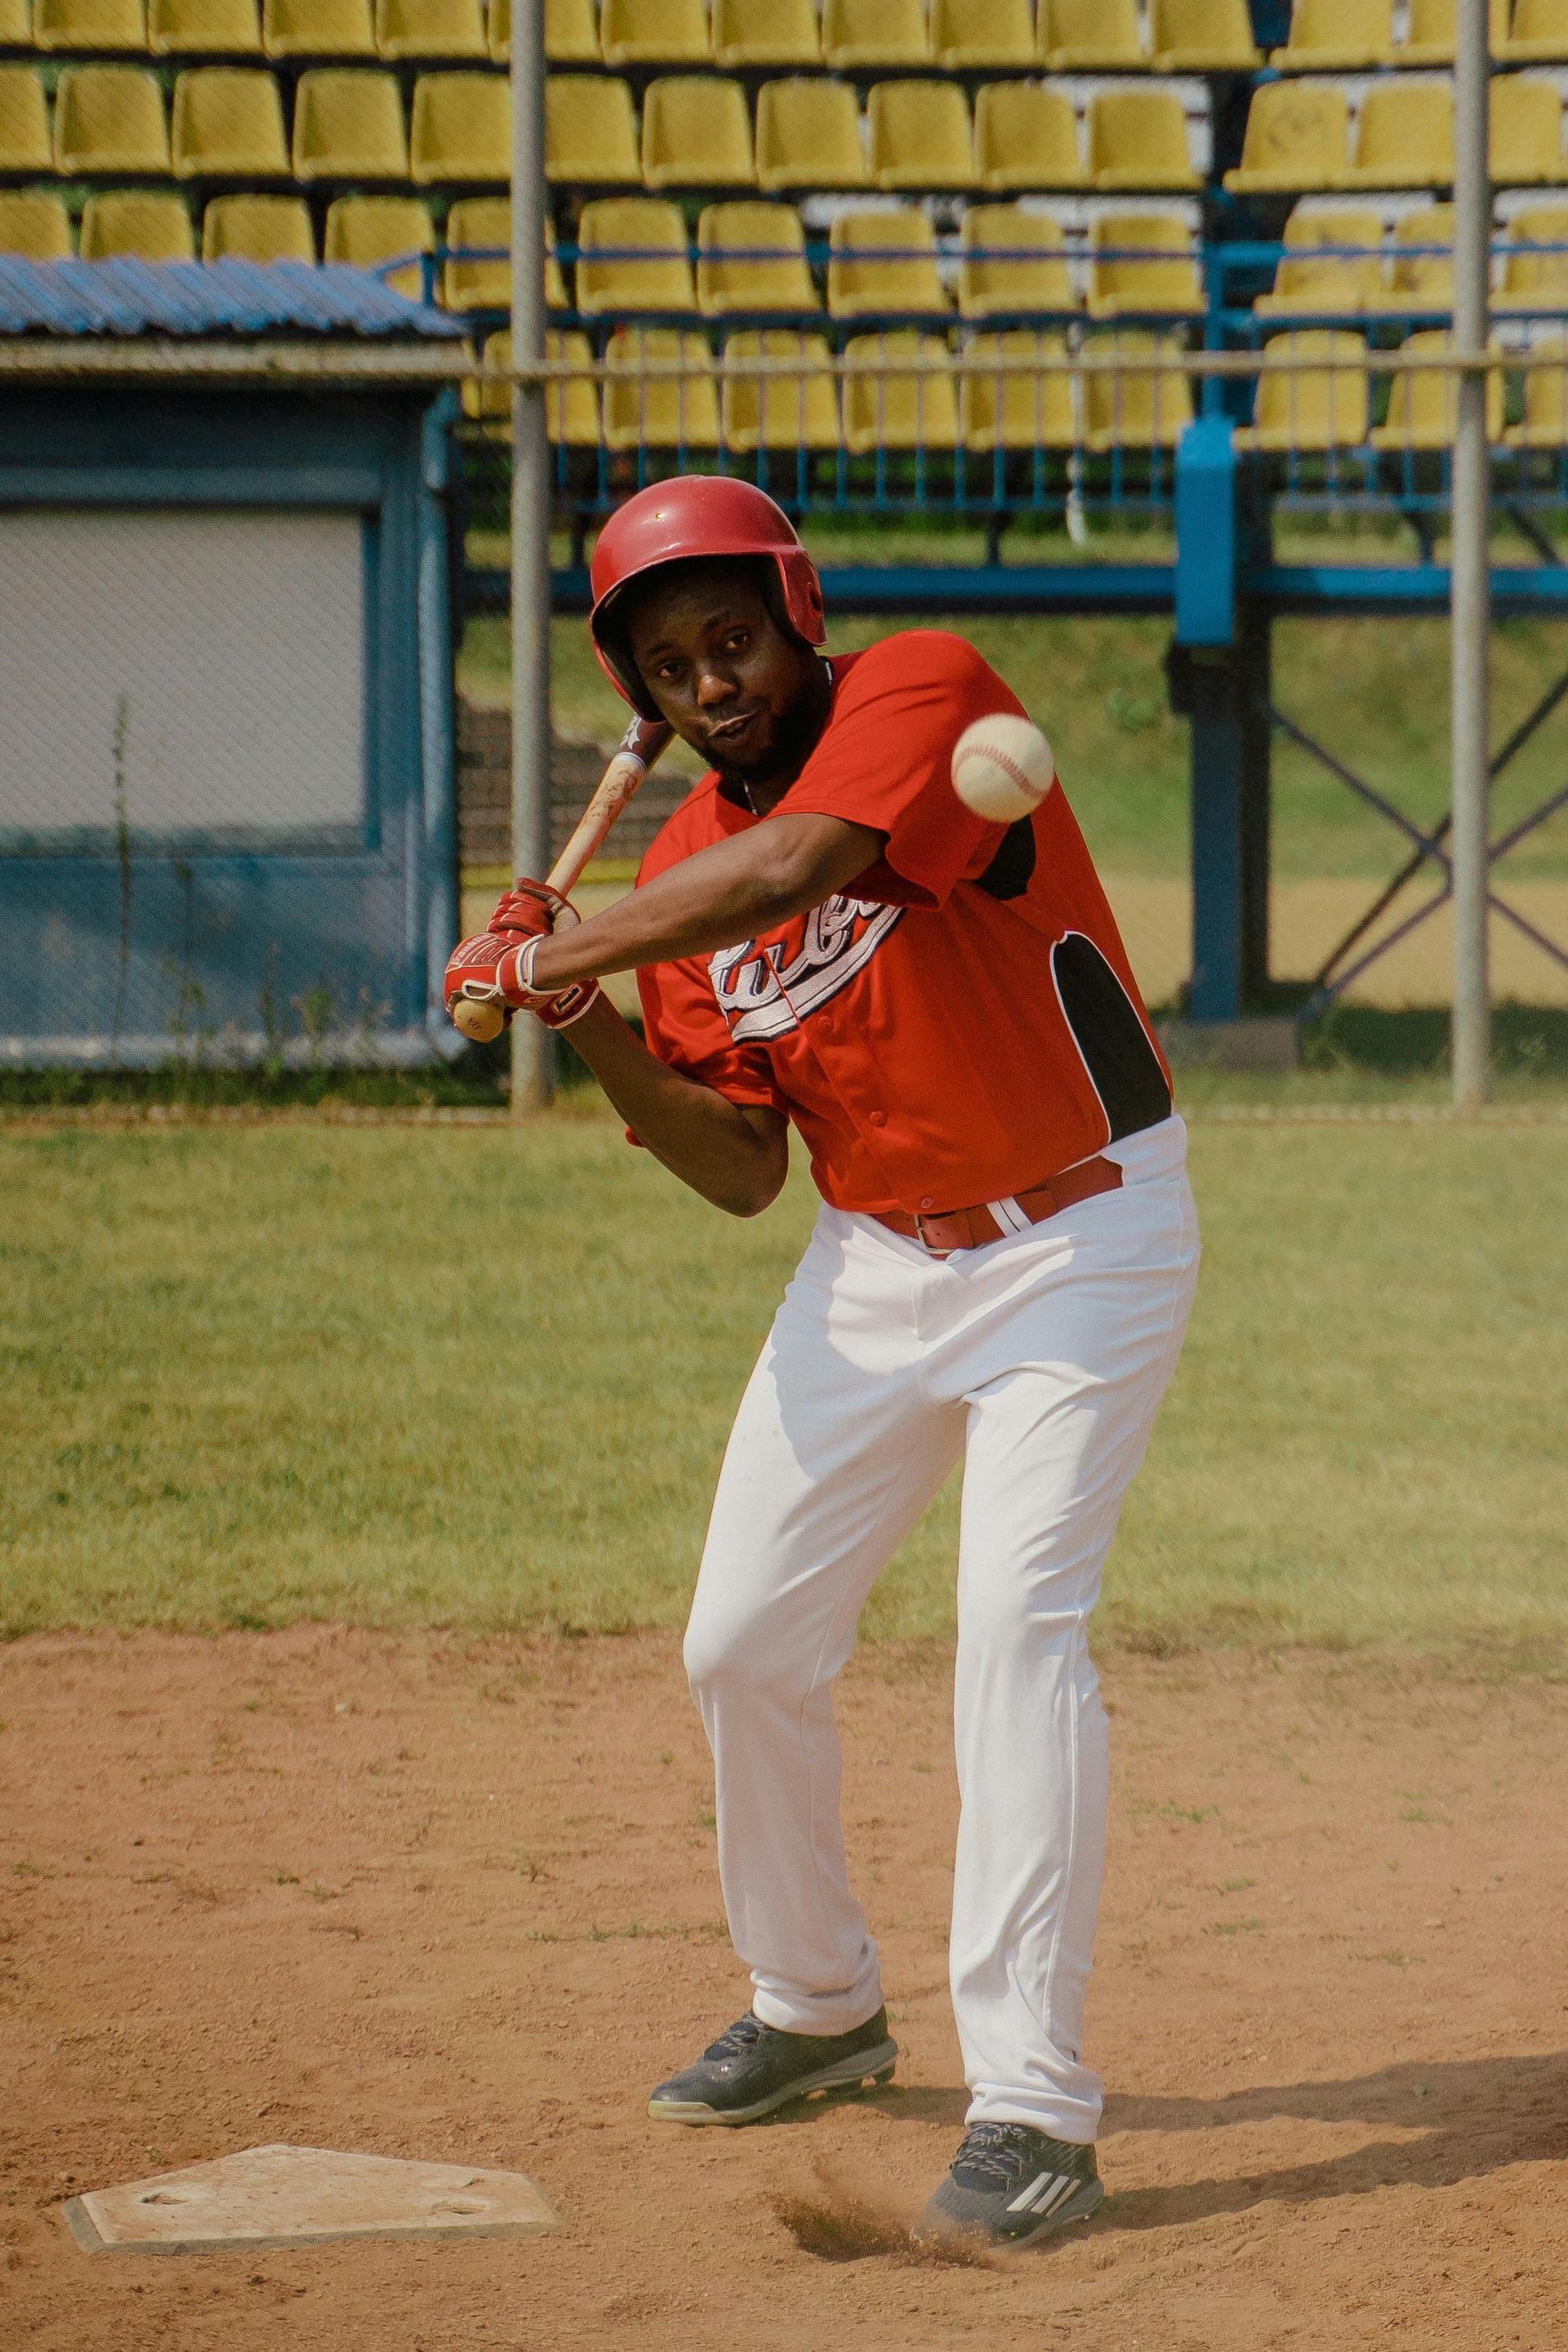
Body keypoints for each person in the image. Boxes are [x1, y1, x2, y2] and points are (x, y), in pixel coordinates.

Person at [444, 479, 1199, 2251]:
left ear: (795, 615)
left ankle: (1034, 2114)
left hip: (1082, 1239)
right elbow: (736, 1169)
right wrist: (581, 1017)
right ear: (642, 693)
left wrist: (554, 941)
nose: (713, 680)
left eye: (734, 638)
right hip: (873, 1266)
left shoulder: (920, 692)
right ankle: (817, 2006)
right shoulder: (670, 873)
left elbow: (801, 866)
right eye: (671, 662)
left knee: (1017, 1635)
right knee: (741, 1642)